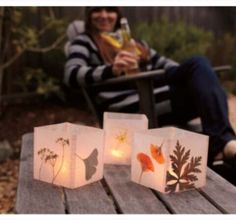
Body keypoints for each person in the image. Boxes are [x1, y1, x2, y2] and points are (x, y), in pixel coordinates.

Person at [63, 7, 236, 166]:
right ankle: (222, 144)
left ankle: (223, 145)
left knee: (198, 65)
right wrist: (111, 70)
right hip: (131, 108)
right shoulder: (84, 42)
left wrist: (199, 76)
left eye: (110, 10)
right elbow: (71, 74)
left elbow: (170, 66)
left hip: (154, 94)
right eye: (97, 10)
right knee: (200, 70)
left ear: (118, 14)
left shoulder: (135, 43)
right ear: (89, 14)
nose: (104, 15)